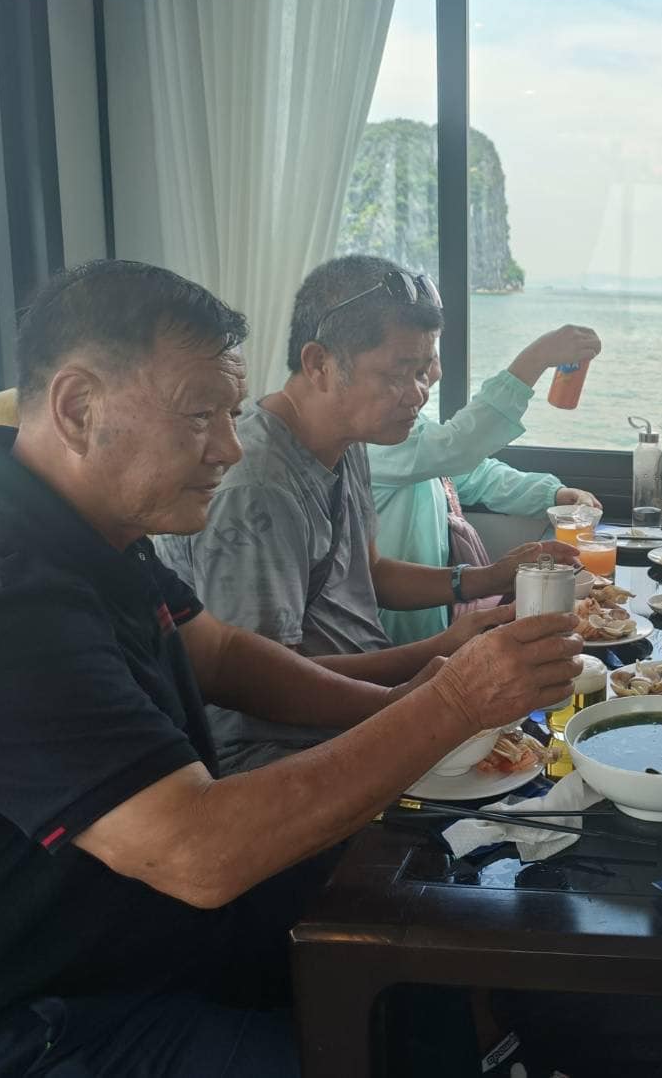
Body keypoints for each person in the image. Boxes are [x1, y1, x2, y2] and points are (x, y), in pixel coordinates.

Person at [0, 260, 581, 1075]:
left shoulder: (91, 526)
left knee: (428, 931)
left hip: (146, 923)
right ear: (76, 408)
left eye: (232, 414)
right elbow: (195, 851)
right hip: (42, 1007)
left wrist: (401, 699)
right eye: (199, 416)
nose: (229, 447)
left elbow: (222, 653)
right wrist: (451, 701)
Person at [154, 255, 580, 772]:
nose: (419, 393)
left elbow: (371, 572)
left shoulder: (348, 440)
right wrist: (437, 659)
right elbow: (267, 684)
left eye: (424, 372)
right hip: (279, 750)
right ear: (320, 364)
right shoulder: (259, 489)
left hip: (362, 708)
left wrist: (488, 578)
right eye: (399, 373)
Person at [368, 320, 603, 645]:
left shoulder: (410, 428)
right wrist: (536, 358)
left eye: (428, 360)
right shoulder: (373, 440)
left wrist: (554, 493)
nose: (431, 373)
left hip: (430, 621)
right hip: (386, 634)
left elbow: (476, 476)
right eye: (414, 366)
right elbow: (457, 447)